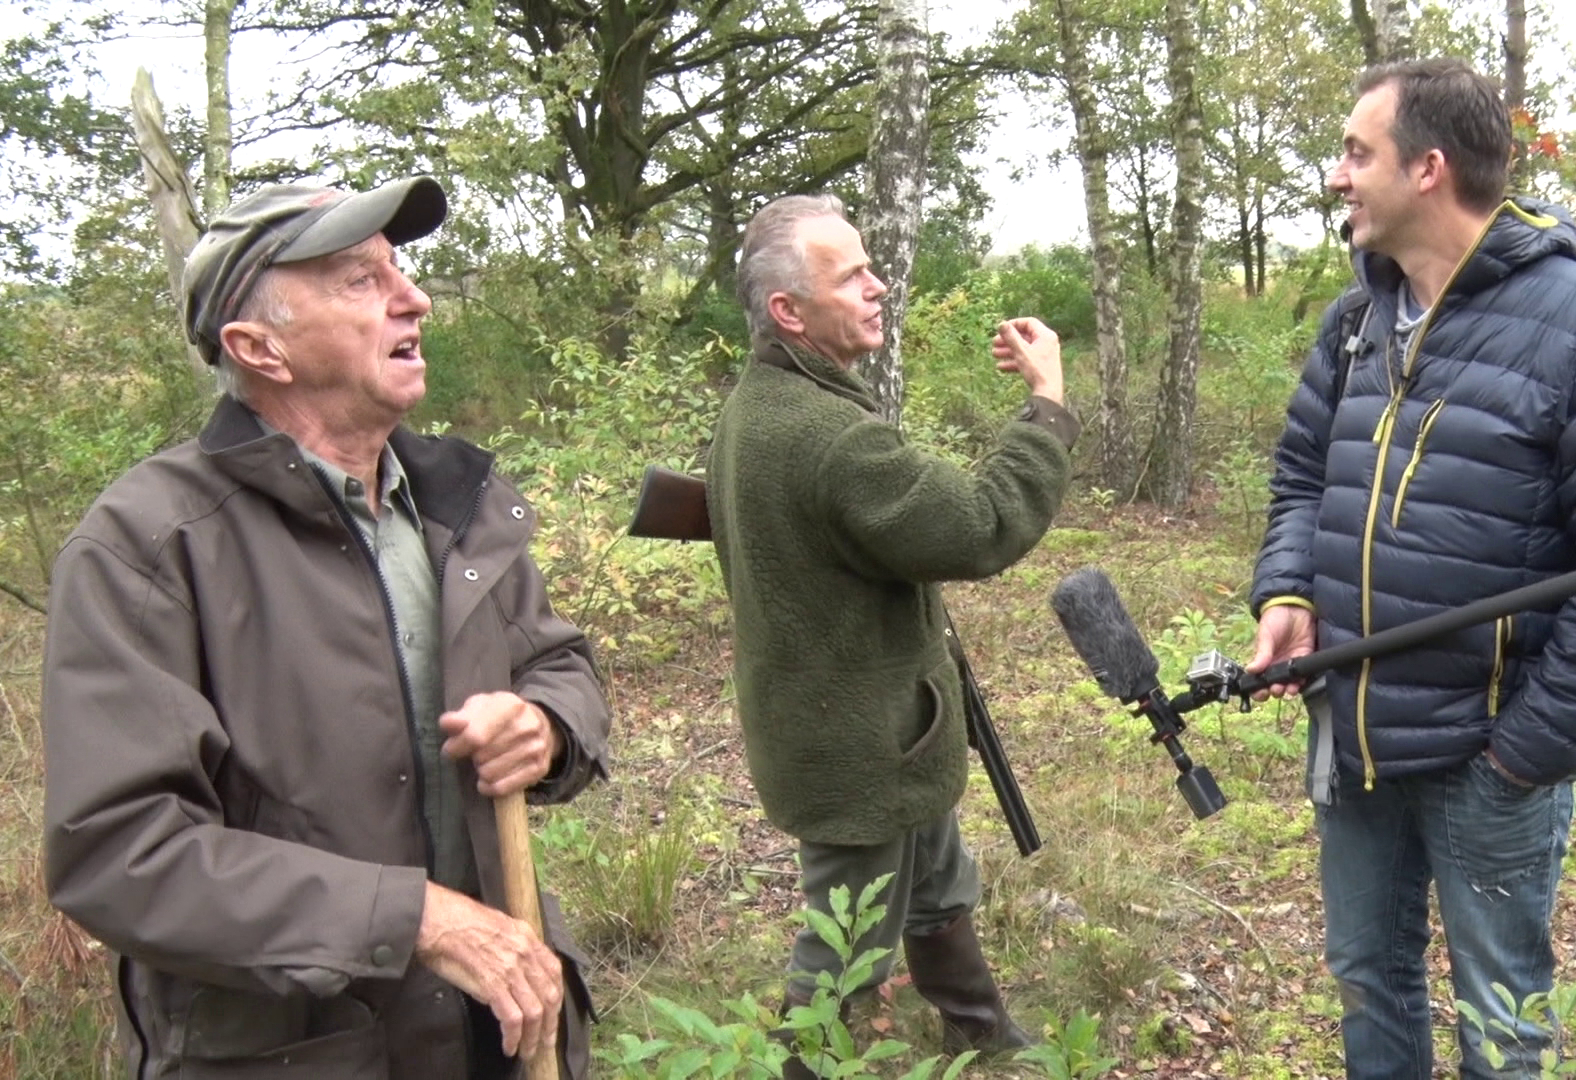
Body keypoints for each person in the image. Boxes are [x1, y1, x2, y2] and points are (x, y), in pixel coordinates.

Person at [40, 176, 610, 1079]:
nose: (413, 297)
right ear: (257, 347)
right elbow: (121, 854)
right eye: (356, 279)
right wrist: (412, 917)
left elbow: (560, 659)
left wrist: (546, 723)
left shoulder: (456, 505)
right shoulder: (150, 546)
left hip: (502, 1034)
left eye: (399, 269)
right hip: (303, 1053)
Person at [1246, 59, 1576, 1078]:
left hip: (1488, 758)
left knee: (1500, 1020)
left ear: (1429, 169)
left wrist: (1521, 757)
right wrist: (1286, 594)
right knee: (1370, 978)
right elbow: (1301, 482)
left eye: (1358, 153)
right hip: (1357, 735)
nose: (1337, 175)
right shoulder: (1355, 323)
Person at [706, 194, 1077, 1077]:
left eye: (872, 266)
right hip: (854, 738)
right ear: (789, 312)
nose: (879, 288)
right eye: (853, 276)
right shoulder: (826, 435)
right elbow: (981, 524)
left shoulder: (769, 400)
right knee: (844, 944)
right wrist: (1049, 403)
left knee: (935, 882)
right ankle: (808, 1068)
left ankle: (978, 1029)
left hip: (882, 723)